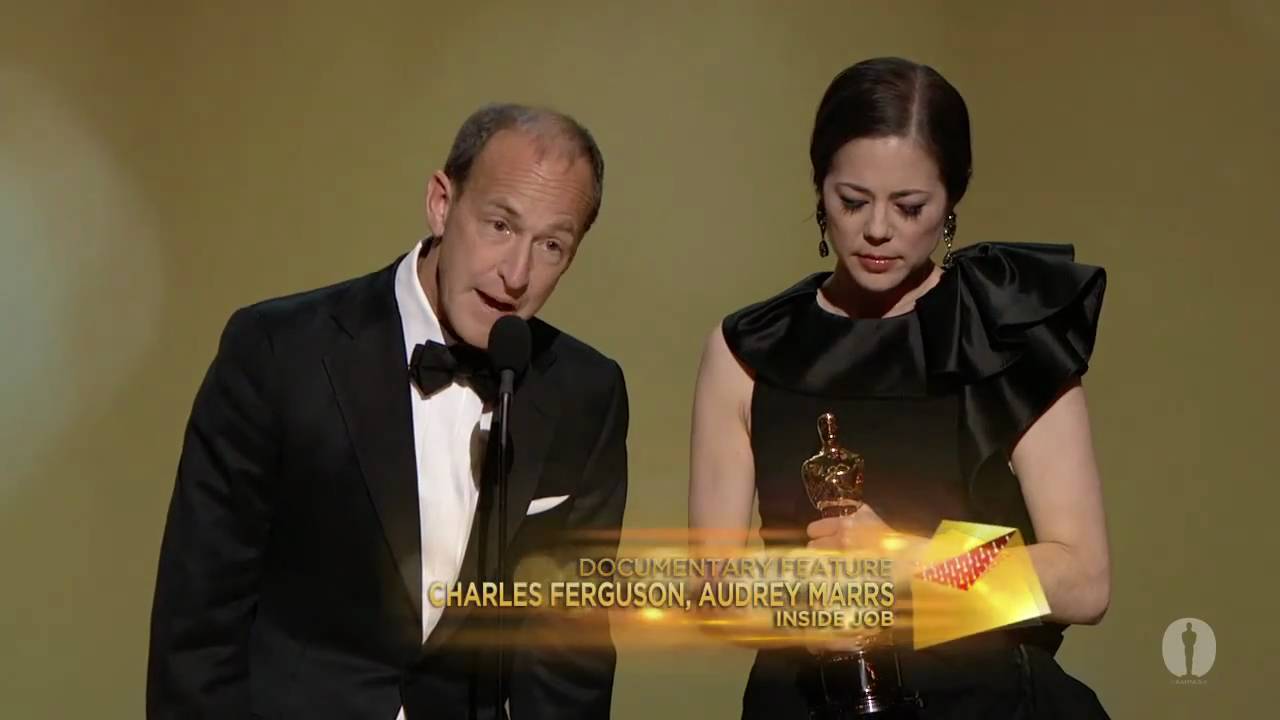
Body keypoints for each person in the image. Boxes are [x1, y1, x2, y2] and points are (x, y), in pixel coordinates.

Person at [147, 103, 629, 720]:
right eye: (500, 225)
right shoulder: (279, 351)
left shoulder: (585, 393)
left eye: (551, 245)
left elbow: (568, 655)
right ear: (441, 203)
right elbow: (199, 623)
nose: (516, 274)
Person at [689, 57, 1111, 718]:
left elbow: (1084, 580)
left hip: (984, 703)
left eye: (910, 206)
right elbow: (710, 587)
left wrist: (913, 565)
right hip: (809, 699)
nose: (878, 229)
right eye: (852, 201)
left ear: (951, 201)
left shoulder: (1007, 335)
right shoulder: (750, 348)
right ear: (819, 187)